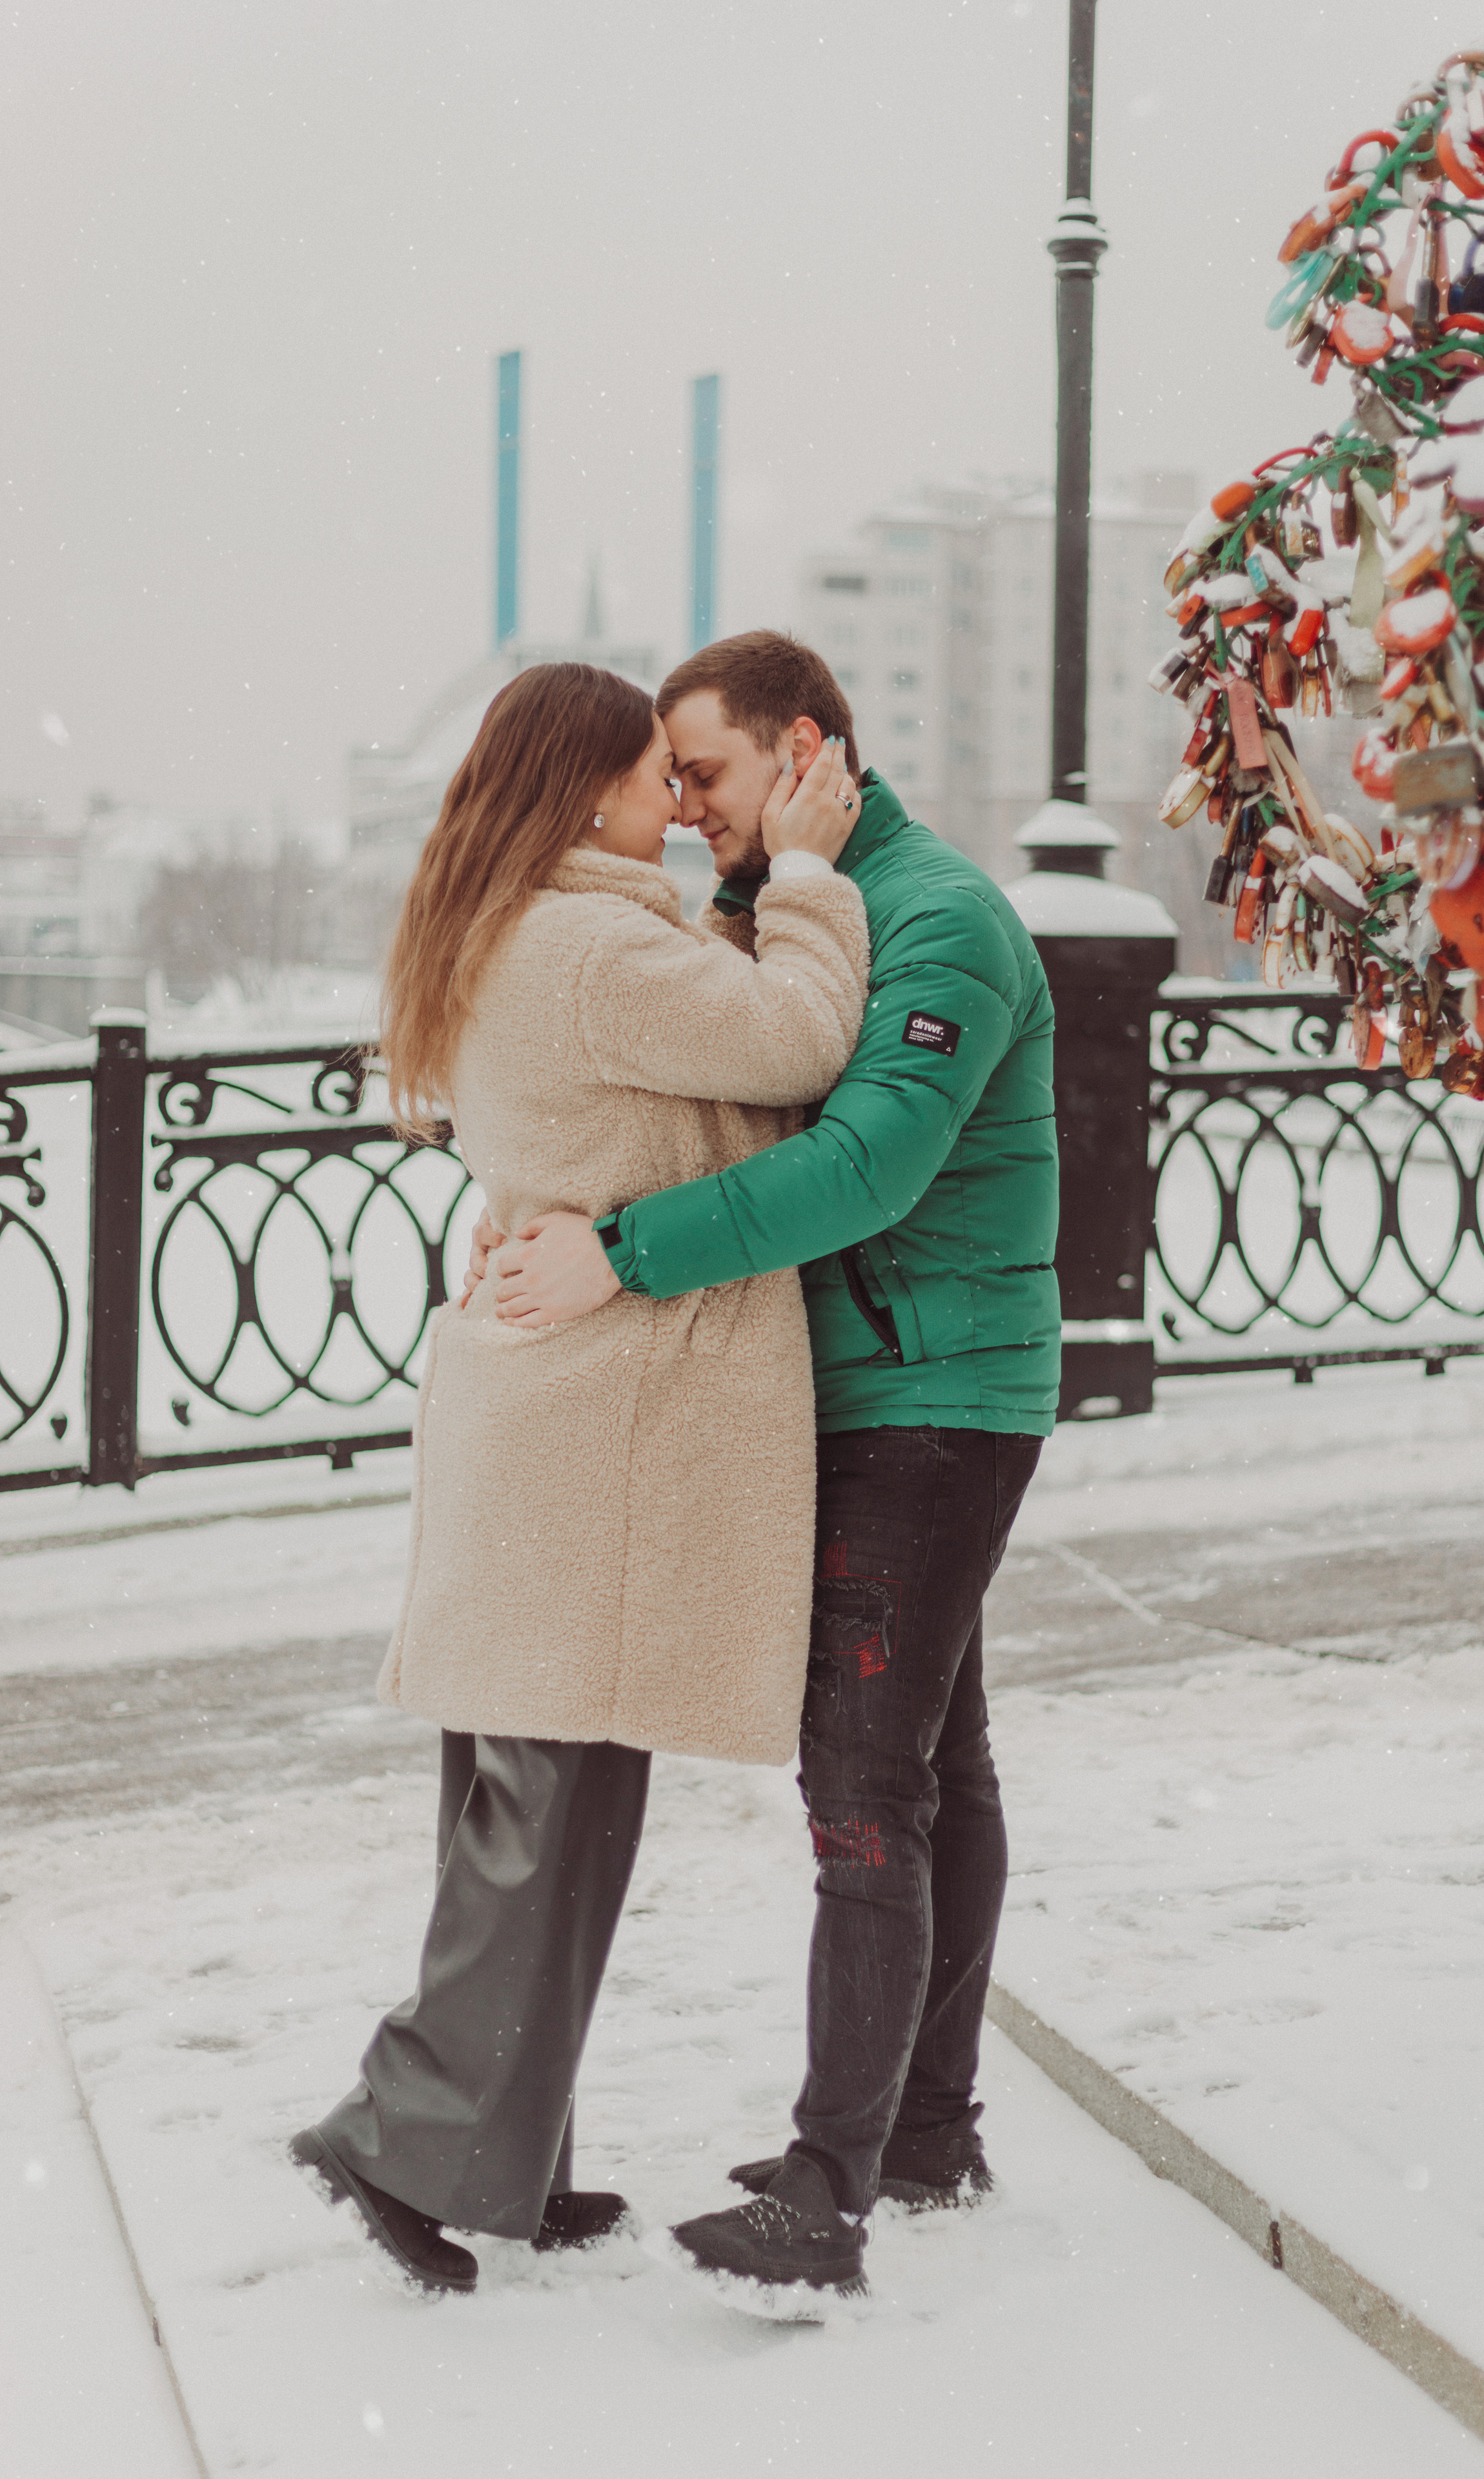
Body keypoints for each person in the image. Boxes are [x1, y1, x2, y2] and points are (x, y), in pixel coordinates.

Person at [470, 631, 1061, 2303]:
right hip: (878, 1385)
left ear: (809, 750)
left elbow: (867, 1166)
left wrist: (623, 1256)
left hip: (934, 1394)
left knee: (867, 1792)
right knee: (945, 1763)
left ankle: (831, 2196)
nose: (683, 808)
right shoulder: (784, 913)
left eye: (708, 773)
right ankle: (928, 2126)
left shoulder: (940, 916)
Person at [290, 660, 869, 2294]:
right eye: (646, 778)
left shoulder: (513, 926)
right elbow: (801, 1037)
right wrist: (807, 879)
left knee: (524, 1800)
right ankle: (403, 2139)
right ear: (584, 794)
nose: (671, 805)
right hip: (592, 1427)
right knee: (544, 1809)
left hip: (541, 1412)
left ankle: (496, 2153)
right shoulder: (594, 944)